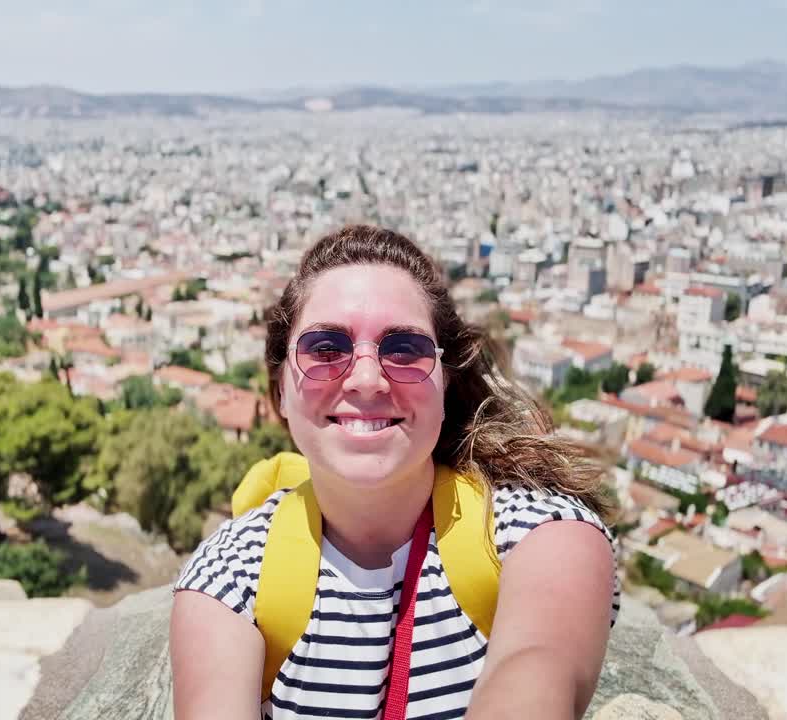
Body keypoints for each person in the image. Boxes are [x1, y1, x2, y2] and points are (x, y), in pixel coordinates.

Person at [171, 225, 619, 719]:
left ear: (444, 384)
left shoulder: (540, 534)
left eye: (404, 349)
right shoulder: (230, 577)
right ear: (281, 389)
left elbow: (536, 671)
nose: (366, 379)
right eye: (325, 349)